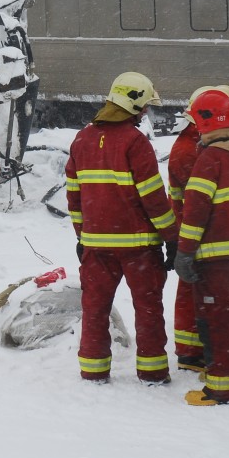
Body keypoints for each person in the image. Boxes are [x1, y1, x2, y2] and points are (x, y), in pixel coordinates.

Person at [65, 72, 177, 385]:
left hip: (96, 248)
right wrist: (172, 238)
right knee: (148, 310)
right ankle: (153, 372)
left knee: (95, 310)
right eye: (144, 108)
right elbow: (154, 199)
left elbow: (73, 196)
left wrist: (81, 236)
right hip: (139, 247)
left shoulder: (82, 140)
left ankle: (93, 370)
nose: (145, 114)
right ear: (135, 104)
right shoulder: (135, 143)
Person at [176, 89, 229, 406]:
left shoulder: (210, 160)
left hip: (212, 260)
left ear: (206, 122)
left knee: (216, 321)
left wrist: (185, 251)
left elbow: (195, 212)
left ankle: (222, 388)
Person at [170, 84, 229, 373]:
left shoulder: (198, 145)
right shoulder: (193, 150)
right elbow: (198, 200)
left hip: (197, 231)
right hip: (198, 233)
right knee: (193, 293)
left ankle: (194, 349)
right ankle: (191, 352)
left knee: (197, 294)